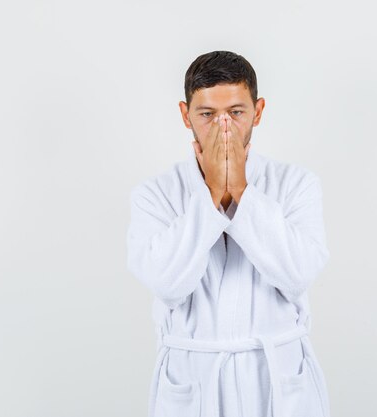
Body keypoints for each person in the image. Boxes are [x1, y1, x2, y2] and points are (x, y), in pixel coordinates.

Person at [126, 50, 331, 417]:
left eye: (236, 112)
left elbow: (298, 275)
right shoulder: (154, 193)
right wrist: (209, 200)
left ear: (259, 110)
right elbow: (166, 283)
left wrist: (241, 192)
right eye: (207, 114)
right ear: (185, 115)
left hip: (275, 379)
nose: (224, 127)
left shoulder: (296, 185)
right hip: (194, 378)